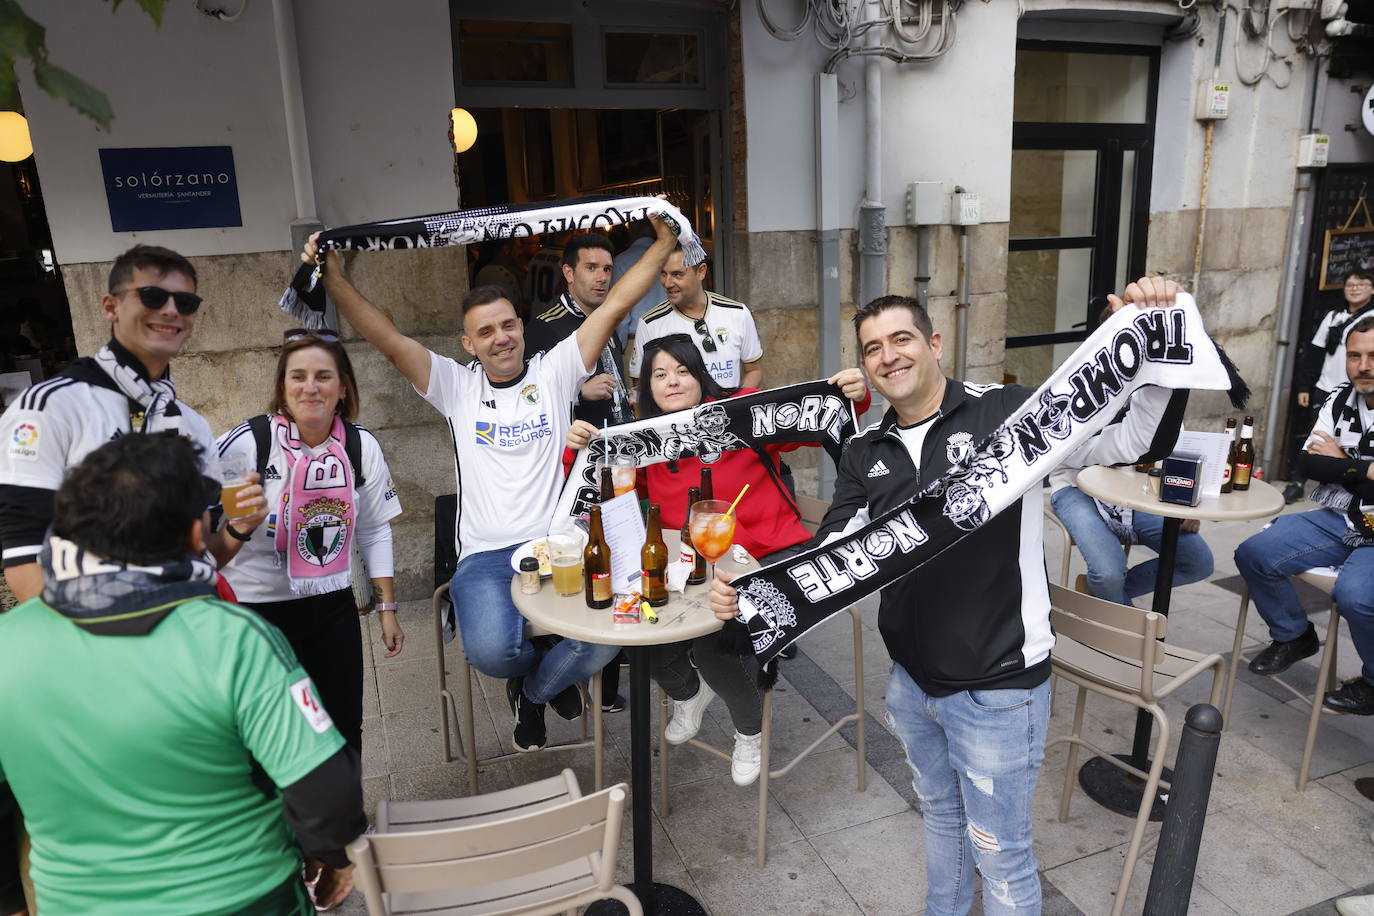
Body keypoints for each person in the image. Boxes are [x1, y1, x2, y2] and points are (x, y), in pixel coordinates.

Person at [709, 279, 1186, 914]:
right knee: (939, 818)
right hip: (911, 683)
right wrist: (756, 591)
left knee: (1002, 854)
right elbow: (835, 551)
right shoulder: (864, 448)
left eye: (901, 338)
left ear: (934, 343)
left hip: (997, 685)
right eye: (873, 347)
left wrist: (1159, 343)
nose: (888, 356)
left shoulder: (1009, 412)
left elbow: (1130, 442)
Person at [301, 211, 676, 752]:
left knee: (601, 643)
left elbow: (616, 303)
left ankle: (537, 691)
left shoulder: (555, 370)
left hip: (559, 548)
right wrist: (334, 279)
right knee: (490, 652)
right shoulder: (454, 386)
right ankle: (538, 677)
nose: (501, 338)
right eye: (485, 332)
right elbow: (385, 336)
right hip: (484, 557)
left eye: (508, 325)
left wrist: (663, 244)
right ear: (469, 343)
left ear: (521, 326)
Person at [0, 432, 364, 914]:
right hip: (244, 897)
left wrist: (11, 900)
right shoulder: (234, 638)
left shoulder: (9, 641)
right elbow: (326, 791)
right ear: (197, 533)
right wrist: (331, 855)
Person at [566, 333, 869, 784]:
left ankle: (749, 731)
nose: (672, 382)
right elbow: (600, 487)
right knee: (635, 628)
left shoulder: (741, 413)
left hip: (770, 553)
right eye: (660, 374)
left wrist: (852, 396)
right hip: (689, 566)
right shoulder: (638, 440)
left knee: (715, 643)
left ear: (701, 375)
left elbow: (816, 419)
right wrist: (578, 445)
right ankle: (689, 694)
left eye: (683, 371)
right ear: (646, 387)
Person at [0, 244, 268, 604]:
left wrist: (239, 527)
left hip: (185, 627)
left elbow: (201, 558)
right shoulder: (51, 406)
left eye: (185, 303)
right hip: (94, 639)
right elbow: (23, 554)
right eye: (153, 296)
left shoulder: (193, 424)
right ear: (110, 307)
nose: (171, 310)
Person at [215, 329, 404, 752]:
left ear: (343, 387)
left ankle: (348, 818)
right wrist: (237, 524)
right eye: (297, 376)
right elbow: (201, 522)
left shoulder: (359, 446)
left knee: (343, 725)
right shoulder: (248, 444)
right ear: (282, 387)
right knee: (269, 733)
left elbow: (375, 529)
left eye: (323, 376)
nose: (310, 387)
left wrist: (386, 608)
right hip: (257, 610)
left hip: (331, 603)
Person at [1235, 317, 1374, 713]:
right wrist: (1363, 469)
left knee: (1355, 597)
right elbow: (1307, 464)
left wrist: (1340, 462)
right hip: (1340, 517)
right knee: (1254, 553)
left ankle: (1373, 682)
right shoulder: (1338, 399)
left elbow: (1328, 465)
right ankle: (1294, 635)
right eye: (1355, 356)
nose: (1363, 365)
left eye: (1372, 356)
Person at [1048, 297, 1213, 605]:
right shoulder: (1079, 377)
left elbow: (1174, 442)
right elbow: (1064, 452)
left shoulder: (1156, 375)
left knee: (1198, 560)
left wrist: (1185, 503)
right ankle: (1127, 628)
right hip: (1075, 487)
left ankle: (1107, 600)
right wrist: (1128, 447)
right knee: (1109, 571)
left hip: (1133, 493)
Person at [524, 233, 634, 427]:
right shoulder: (543, 327)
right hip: (576, 450)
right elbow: (526, 397)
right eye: (591, 268)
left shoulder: (605, 319)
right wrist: (579, 393)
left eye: (607, 269)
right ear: (569, 273)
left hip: (617, 444)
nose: (602, 278)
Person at [1286, 269, 1374, 503]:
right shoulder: (1333, 316)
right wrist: (1304, 385)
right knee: (1316, 439)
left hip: (1360, 391)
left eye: (1361, 284)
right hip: (1329, 389)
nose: (1354, 288)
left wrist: (1343, 462)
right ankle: (1296, 483)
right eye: (1350, 284)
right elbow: (1315, 354)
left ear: (1372, 289)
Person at [627, 246, 763, 391]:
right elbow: (640, 387)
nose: (667, 283)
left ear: (701, 271)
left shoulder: (738, 313)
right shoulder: (650, 324)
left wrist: (733, 405)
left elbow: (754, 371)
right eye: (663, 274)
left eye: (677, 274)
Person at [613, 220, 669, 349]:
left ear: (632, 232)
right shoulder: (669, 257)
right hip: (669, 337)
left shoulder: (621, 261)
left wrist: (621, 345)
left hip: (636, 340)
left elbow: (621, 310)